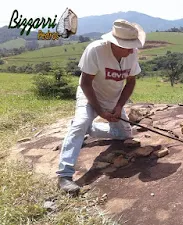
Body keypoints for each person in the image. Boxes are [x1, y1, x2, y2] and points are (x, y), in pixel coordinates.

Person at [56, 19, 146, 193]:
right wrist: (99, 111)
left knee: (124, 135)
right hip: (90, 96)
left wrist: (119, 106)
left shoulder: (131, 53)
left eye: (132, 46)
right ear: (114, 42)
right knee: (81, 122)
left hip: (114, 98)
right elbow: (85, 84)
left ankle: (87, 130)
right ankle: (64, 175)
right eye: (127, 46)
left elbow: (130, 82)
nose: (131, 50)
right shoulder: (95, 50)